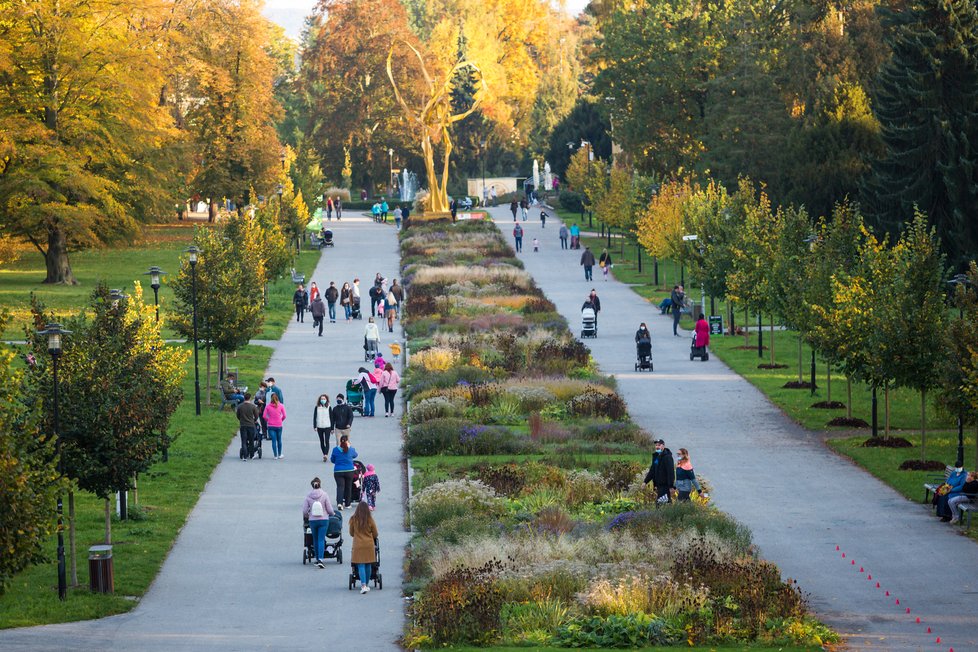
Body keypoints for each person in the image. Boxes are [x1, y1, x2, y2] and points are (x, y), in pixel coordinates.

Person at [302, 477, 336, 569]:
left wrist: (307, 516)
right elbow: (329, 509)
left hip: (313, 520)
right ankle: (321, 559)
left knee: (315, 539)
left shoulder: (308, 496)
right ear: (320, 484)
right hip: (324, 520)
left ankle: (317, 559)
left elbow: (305, 510)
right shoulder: (324, 495)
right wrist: (332, 513)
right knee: (321, 539)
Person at [349, 501, 379, 593]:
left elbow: (351, 533)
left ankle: (363, 585)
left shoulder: (353, 519)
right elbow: (375, 533)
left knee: (360, 564)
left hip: (358, 545)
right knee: (368, 564)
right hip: (369, 545)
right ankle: (366, 584)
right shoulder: (370, 520)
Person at [330, 434, 359, 510]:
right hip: (349, 471)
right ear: (347, 442)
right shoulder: (351, 449)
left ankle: (339, 503)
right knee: (348, 487)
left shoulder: (335, 449)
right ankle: (347, 504)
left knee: (340, 487)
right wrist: (350, 446)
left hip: (338, 471)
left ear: (340, 442)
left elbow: (332, 460)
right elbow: (356, 455)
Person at [643, 439, 675, 503]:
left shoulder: (667, 457)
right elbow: (652, 470)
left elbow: (670, 472)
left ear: (663, 446)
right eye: (656, 445)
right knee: (662, 504)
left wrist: (671, 486)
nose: (657, 447)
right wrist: (645, 482)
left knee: (662, 504)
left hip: (665, 486)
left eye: (659, 445)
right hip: (658, 486)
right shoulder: (656, 456)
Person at [236, 392, 260, 460]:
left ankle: (244, 456)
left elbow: (238, 415)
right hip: (251, 425)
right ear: (249, 398)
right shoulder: (253, 407)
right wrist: (254, 420)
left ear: (244, 398)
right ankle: (252, 455)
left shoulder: (240, 406)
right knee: (251, 440)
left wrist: (241, 419)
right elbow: (256, 416)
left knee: (244, 441)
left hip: (243, 425)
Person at [264, 393, 287, 460]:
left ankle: (275, 455)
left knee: (273, 440)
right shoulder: (281, 406)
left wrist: (268, 420)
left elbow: (264, 416)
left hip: (271, 425)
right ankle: (280, 454)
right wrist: (280, 420)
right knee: (279, 440)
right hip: (279, 425)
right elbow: (284, 416)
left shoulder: (268, 406)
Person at [313, 394, 333, 462]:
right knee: (321, 441)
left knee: (326, 441)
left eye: (324, 399)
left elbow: (331, 418)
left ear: (326, 400)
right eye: (322, 399)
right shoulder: (317, 407)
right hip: (319, 426)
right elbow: (315, 417)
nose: (323, 400)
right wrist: (315, 426)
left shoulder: (329, 407)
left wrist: (332, 428)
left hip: (327, 426)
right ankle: (324, 453)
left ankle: (326, 455)